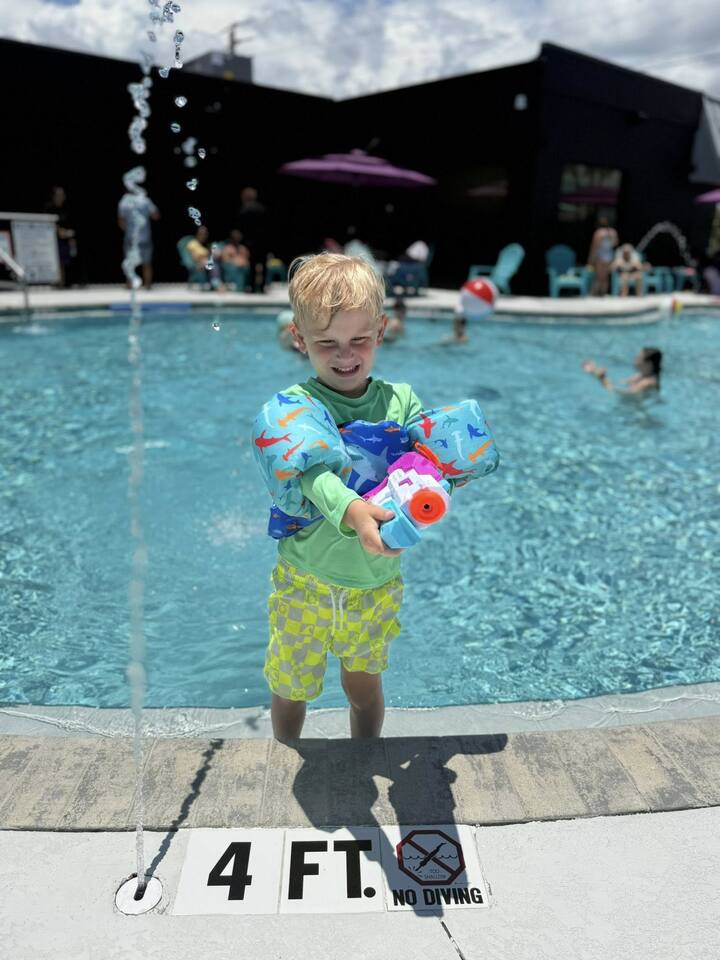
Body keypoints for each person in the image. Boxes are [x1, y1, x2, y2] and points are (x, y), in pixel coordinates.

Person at [255, 253, 422, 741]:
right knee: (291, 688)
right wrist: (352, 509)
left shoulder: (401, 402)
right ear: (299, 338)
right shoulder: (296, 408)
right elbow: (311, 475)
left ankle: (366, 754)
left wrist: (446, 476)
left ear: (382, 330)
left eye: (359, 340)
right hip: (304, 579)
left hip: (374, 582)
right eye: (326, 342)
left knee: (363, 688)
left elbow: (426, 467)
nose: (344, 355)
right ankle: (285, 754)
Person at [117, 188, 160, 289]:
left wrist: (128, 230)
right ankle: (147, 285)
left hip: (131, 238)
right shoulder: (146, 201)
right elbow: (156, 216)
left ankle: (130, 284)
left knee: (130, 263)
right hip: (145, 237)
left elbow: (121, 221)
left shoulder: (124, 202)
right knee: (146, 263)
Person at [582, 346, 662, 394]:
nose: (635, 358)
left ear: (648, 364)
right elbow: (620, 383)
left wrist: (602, 378)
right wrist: (595, 371)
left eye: (639, 357)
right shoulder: (641, 375)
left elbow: (619, 393)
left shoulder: (647, 382)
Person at [45, 186, 78, 288]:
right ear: (53, 196)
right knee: (57, 261)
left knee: (67, 261)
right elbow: (48, 223)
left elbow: (72, 224)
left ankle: (66, 283)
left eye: (62, 195)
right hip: (51, 240)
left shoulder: (67, 209)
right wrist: (58, 231)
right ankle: (58, 283)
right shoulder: (49, 208)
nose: (60, 197)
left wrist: (70, 234)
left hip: (66, 239)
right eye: (58, 195)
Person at [237, 186, 269, 293]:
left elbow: (241, 228)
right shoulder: (262, 208)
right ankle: (262, 287)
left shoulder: (243, 209)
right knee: (263, 264)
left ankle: (251, 286)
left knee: (251, 264)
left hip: (250, 242)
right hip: (263, 241)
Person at [587, 216, 618, 296]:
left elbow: (594, 246)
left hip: (600, 255)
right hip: (609, 255)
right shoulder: (613, 232)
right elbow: (615, 244)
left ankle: (597, 293)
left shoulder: (599, 232)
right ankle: (603, 292)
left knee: (598, 276)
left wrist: (591, 258)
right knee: (605, 276)